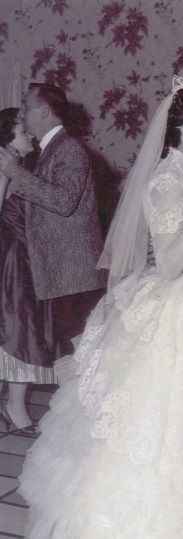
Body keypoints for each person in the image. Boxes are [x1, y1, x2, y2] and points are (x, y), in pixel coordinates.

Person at [19, 73, 183, 538]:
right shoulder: (167, 180)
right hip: (182, 304)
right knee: (170, 416)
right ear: (178, 126)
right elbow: (168, 263)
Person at [0, 83, 105, 365]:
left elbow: (63, 201)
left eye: (26, 107)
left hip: (74, 277)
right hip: (62, 278)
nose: (21, 114)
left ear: (44, 112)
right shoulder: (49, 151)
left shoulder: (69, 148)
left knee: (80, 363)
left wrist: (15, 173)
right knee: (71, 362)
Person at [0, 107, 52, 435]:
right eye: (23, 131)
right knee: (19, 327)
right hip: (10, 257)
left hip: (24, 255)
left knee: (24, 327)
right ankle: (15, 406)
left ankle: (13, 404)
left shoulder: (21, 166)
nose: (30, 135)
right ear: (8, 140)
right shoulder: (5, 166)